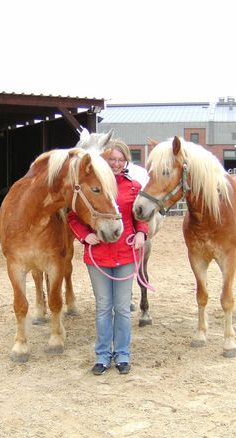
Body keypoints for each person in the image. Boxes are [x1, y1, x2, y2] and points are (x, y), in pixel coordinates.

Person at [68, 139, 149, 375]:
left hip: (125, 254)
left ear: (126, 162)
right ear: (105, 160)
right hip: (99, 256)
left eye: (120, 159)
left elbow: (139, 216)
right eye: (112, 159)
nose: (115, 163)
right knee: (103, 307)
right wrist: (85, 236)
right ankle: (102, 355)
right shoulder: (94, 184)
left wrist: (142, 233)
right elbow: (74, 216)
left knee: (122, 308)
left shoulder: (133, 186)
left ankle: (122, 354)